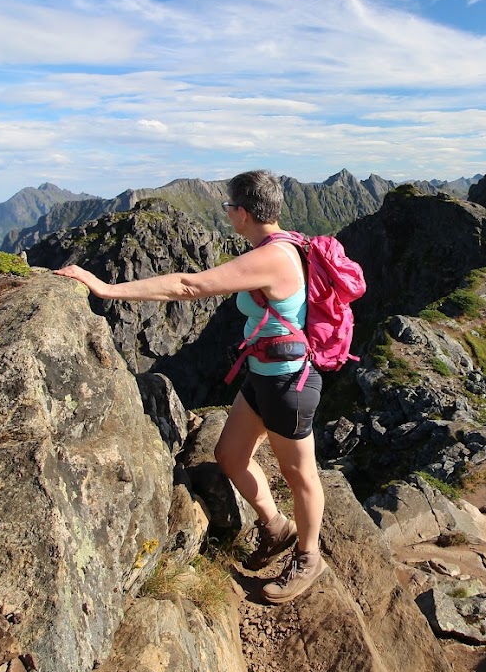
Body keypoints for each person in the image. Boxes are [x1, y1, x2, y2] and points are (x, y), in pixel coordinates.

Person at [53, 170, 326, 604]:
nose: (227, 214)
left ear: (243, 212)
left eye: (228, 207)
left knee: (299, 475)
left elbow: (187, 285)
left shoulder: (272, 257)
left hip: (287, 385)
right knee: (229, 456)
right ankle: (277, 527)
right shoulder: (278, 245)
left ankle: (309, 556)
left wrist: (105, 289)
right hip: (262, 375)